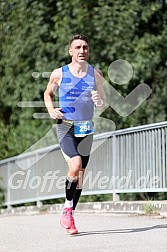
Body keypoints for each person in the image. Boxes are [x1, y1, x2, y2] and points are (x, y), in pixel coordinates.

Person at [44, 34, 104, 235]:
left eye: (85, 47)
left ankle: (68, 213)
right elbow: (47, 94)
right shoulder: (59, 74)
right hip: (66, 126)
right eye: (77, 47)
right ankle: (68, 208)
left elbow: (102, 101)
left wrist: (99, 100)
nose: (82, 51)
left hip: (86, 128)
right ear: (71, 51)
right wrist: (51, 110)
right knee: (75, 165)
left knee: (80, 177)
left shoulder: (96, 74)